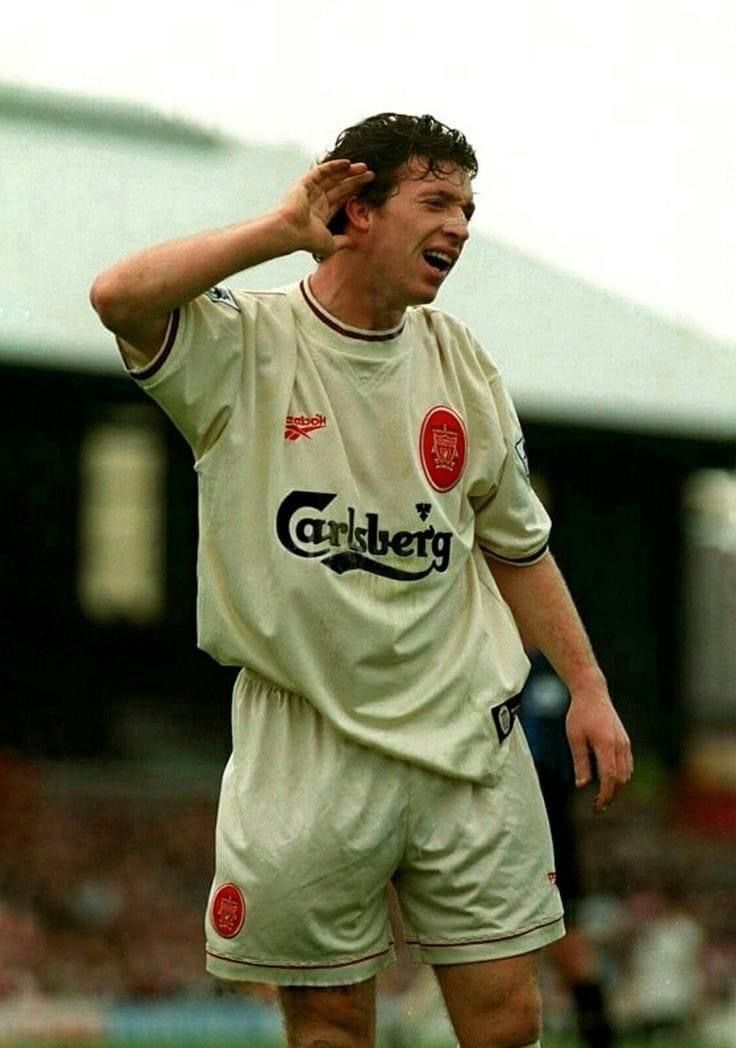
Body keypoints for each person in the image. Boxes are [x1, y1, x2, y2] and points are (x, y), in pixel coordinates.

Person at [90, 112, 633, 1048]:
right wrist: (277, 230)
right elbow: (117, 297)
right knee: (332, 1020)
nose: (461, 224)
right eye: (436, 200)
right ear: (357, 208)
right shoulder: (244, 348)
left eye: (468, 205)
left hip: (467, 730)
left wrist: (587, 685)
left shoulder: (459, 360)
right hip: (308, 737)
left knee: (508, 1019)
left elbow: (517, 546)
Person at [519, 652, 616, 1046]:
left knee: (569, 939)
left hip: (549, 819)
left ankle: (599, 1037)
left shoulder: (553, 673)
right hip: (495, 812)